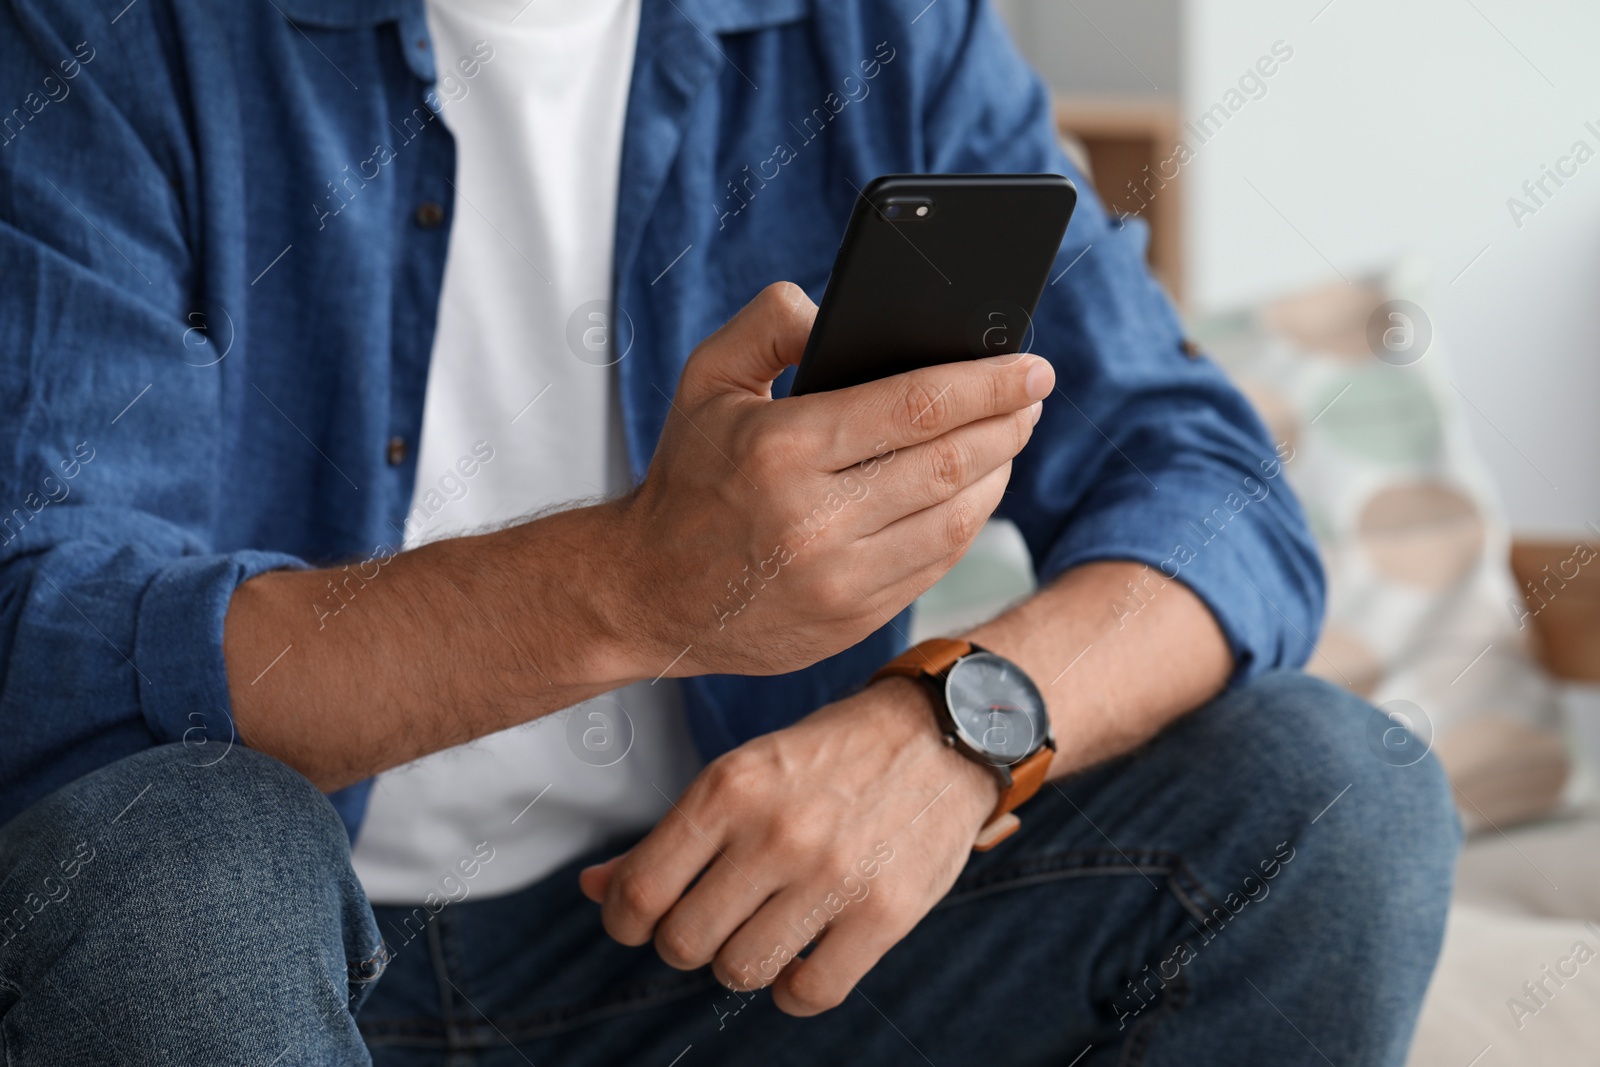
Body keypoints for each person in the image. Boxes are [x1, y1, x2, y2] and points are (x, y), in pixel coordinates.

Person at [0, 0, 1458, 1063]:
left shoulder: (889, 31)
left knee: (1341, 795)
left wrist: (954, 727)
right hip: (249, 958)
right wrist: (636, 585)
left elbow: (1209, 478)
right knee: (171, 841)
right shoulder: (107, 36)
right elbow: (46, 638)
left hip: (727, 952)